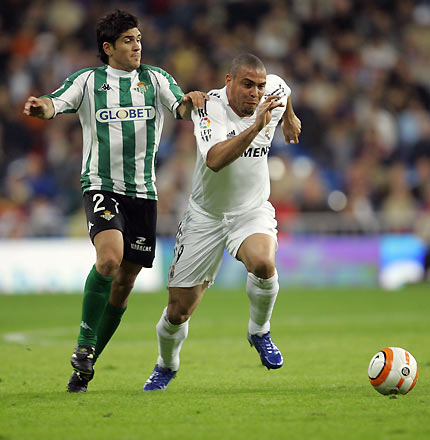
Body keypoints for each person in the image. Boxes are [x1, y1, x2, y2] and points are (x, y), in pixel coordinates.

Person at [23, 10, 206, 393]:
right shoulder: (89, 82)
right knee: (109, 258)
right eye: (128, 40)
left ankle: (86, 364)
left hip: (144, 194)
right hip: (102, 185)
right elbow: (56, 101)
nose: (137, 45)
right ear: (107, 48)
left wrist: (191, 100)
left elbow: (181, 107)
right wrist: (42, 107)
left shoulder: (155, 79)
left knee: (124, 283)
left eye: (138, 38)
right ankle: (85, 343)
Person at [143, 53, 301, 390]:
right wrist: (257, 126)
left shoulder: (272, 90)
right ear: (229, 82)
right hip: (206, 217)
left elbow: (283, 91)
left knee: (262, 261)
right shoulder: (209, 107)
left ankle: (260, 331)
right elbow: (214, 160)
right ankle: (166, 364)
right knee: (177, 311)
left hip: (251, 210)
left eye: (259, 86)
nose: (255, 93)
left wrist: (289, 117)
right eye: (247, 85)